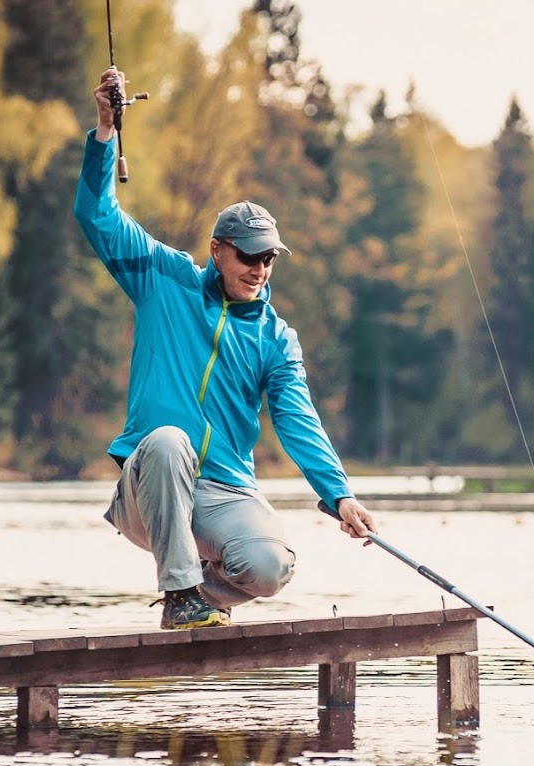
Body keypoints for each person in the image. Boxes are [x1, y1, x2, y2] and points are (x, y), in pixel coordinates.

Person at [74, 68, 377, 630]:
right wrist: (104, 132)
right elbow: (97, 216)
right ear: (218, 250)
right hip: (151, 484)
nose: (259, 269)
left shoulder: (276, 339)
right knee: (167, 441)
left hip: (224, 492)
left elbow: (298, 421)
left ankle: (196, 601)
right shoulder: (165, 281)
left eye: (269, 259)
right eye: (249, 257)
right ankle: (181, 592)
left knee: (270, 566)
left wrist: (340, 496)